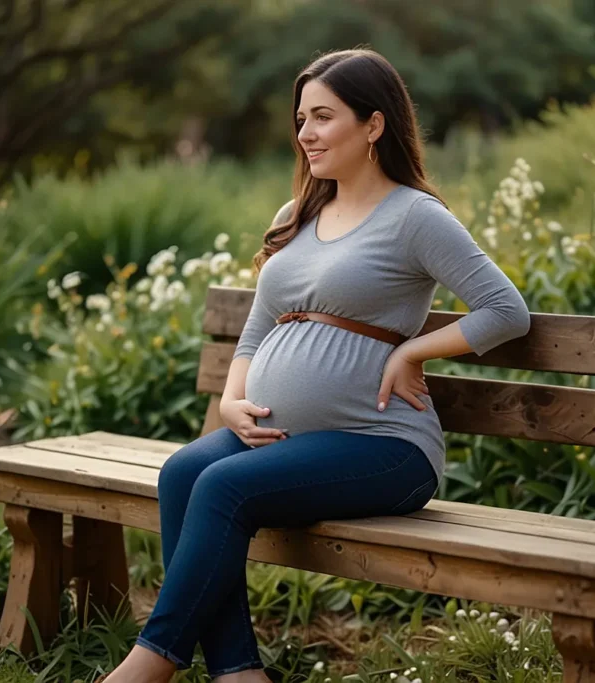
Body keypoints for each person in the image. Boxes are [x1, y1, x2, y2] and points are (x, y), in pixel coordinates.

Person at [99, 47, 531, 683]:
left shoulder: (416, 217)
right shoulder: (296, 214)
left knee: (222, 485)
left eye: (323, 117)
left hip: (383, 447)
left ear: (374, 125)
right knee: (185, 471)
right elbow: (255, 329)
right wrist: (230, 402)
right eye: (301, 119)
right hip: (286, 438)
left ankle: (148, 666)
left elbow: (506, 310)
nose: (305, 134)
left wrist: (413, 349)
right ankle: (238, 673)